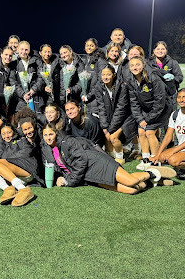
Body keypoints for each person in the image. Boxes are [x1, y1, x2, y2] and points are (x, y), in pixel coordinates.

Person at [41, 124, 176, 193]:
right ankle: (153, 181)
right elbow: (64, 168)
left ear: (56, 134)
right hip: (88, 176)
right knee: (132, 189)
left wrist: (69, 181)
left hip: (97, 163)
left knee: (130, 181)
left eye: (51, 134)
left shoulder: (67, 142)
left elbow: (81, 162)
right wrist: (60, 177)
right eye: (45, 135)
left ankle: (153, 172)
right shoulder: (49, 150)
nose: (48, 137)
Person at [150, 88, 185, 183]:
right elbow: (168, 136)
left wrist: (174, 151)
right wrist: (157, 155)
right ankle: (184, 166)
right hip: (182, 149)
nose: (181, 100)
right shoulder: (175, 114)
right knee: (162, 158)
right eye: (179, 97)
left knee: (173, 160)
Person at [127, 56, 170, 170]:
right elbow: (134, 103)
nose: (135, 67)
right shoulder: (131, 80)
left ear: (143, 65)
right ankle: (146, 159)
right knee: (141, 131)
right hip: (146, 110)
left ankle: (155, 161)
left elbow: (159, 102)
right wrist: (140, 119)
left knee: (150, 132)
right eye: (132, 65)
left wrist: (148, 119)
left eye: (138, 64)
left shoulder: (153, 78)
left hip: (162, 110)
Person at [0, 124, 36, 207]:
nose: (6, 136)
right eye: (3, 134)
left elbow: (26, 152)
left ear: (14, 132)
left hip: (25, 170)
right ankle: (7, 189)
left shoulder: (21, 140)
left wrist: (6, 161)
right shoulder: (2, 145)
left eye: (9, 132)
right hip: (11, 175)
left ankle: (23, 189)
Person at [96, 66, 137, 166]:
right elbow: (101, 109)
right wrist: (105, 129)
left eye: (108, 74)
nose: (105, 77)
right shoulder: (98, 87)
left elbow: (121, 109)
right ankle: (111, 155)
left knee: (113, 137)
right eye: (103, 75)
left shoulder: (122, 86)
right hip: (112, 120)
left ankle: (119, 157)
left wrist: (110, 130)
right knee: (106, 136)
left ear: (114, 75)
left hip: (125, 118)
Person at [147, 41, 184, 111]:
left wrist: (173, 78)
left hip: (170, 96)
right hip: (154, 95)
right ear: (154, 51)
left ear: (166, 51)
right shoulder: (148, 63)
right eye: (158, 49)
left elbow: (180, 77)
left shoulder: (173, 62)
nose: (160, 51)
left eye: (163, 49)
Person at [10, 41, 44, 112]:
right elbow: (12, 80)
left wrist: (33, 90)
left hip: (35, 96)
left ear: (29, 50)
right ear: (18, 50)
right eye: (21, 49)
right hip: (21, 98)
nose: (24, 52)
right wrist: (22, 94)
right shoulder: (14, 63)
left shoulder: (36, 61)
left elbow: (41, 77)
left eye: (26, 50)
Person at [80, 38, 108, 116]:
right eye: (87, 45)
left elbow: (101, 81)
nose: (89, 47)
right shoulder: (85, 61)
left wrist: (89, 96)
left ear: (96, 47)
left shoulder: (100, 61)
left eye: (91, 46)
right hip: (86, 101)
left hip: (95, 101)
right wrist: (83, 94)